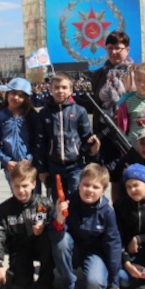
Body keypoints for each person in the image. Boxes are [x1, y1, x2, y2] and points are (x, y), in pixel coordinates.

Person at [50, 163, 126, 289]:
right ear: (79, 184)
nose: (89, 190)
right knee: (62, 241)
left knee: (96, 285)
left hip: (94, 252)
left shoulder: (107, 212)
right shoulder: (67, 203)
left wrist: (114, 285)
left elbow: (114, 246)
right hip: (73, 249)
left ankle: (96, 273)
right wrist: (59, 217)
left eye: (95, 187)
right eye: (86, 185)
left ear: (103, 191)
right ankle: (69, 288)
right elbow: (53, 238)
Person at [0, 161, 55, 289]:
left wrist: (44, 227)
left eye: (25, 186)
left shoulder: (44, 204)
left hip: (40, 245)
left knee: (48, 244)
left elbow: (56, 226)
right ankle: (25, 275)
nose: (21, 190)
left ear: (33, 184)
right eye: (16, 186)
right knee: (21, 281)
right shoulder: (5, 209)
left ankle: (45, 283)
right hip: (19, 247)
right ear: (11, 184)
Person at [35, 72, 100, 200]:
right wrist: (41, 169)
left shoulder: (79, 111)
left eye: (64, 87)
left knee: (76, 198)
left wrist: (92, 159)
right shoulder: (44, 113)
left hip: (75, 165)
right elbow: (40, 142)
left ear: (71, 90)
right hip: (54, 165)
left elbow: (86, 137)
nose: (60, 91)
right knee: (58, 199)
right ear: (50, 89)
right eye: (56, 87)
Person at [89, 30, 136, 199]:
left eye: (118, 48)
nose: (114, 52)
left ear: (127, 49)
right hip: (105, 132)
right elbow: (94, 104)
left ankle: (129, 211)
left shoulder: (137, 72)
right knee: (111, 177)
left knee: (130, 175)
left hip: (128, 132)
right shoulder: (99, 75)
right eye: (110, 48)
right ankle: (113, 210)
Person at [0, 77, 39, 191]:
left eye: (20, 95)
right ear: (7, 94)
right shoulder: (0, 117)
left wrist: (29, 158)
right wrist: (6, 161)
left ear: (26, 98)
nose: (16, 98)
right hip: (11, 167)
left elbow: (38, 141)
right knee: (18, 195)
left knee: (34, 196)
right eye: (13, 93)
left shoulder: (32, 116)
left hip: (30, 165)